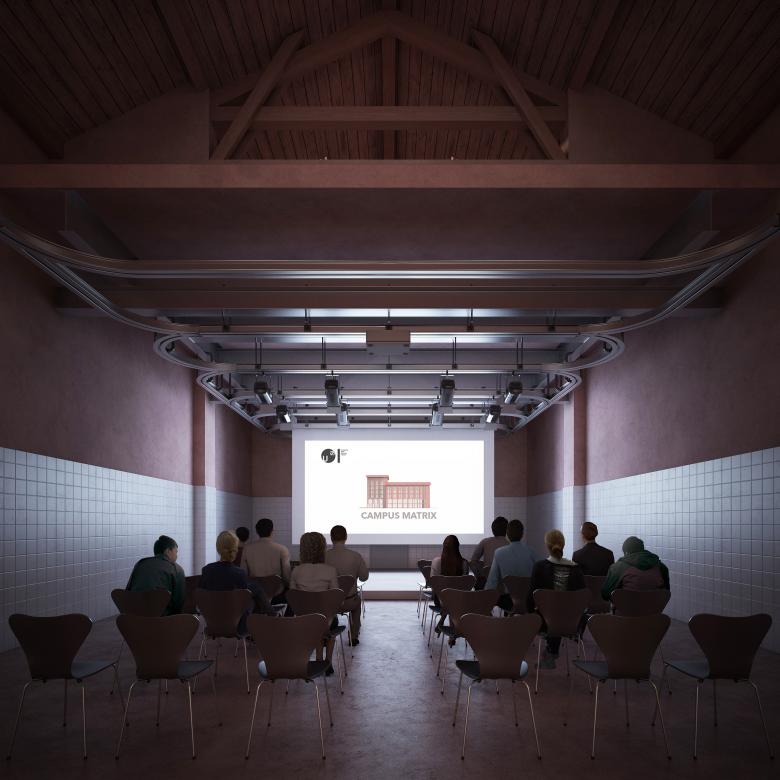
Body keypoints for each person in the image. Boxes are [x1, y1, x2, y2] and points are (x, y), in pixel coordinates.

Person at [528, 529, 585, 669]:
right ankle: (551, 651)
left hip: (545, 622)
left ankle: (551, 651)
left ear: (547, 545)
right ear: (563, 545)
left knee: (551, 611)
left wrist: (531, 613)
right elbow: (582, 599)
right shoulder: (576, 569)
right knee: (560, 610)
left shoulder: (539, 567)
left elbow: (530, 598)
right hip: (572, 622)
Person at [200, 531, 275, 632]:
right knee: (254, 592)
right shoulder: (239, 573)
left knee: (253, 588)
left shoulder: (206, 570)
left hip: (212, 621)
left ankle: (271, 615)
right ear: (235, 550)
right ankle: (272, 616)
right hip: (236, 624)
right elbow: (243, 601)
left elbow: (201, 595)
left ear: (218, 548)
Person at [290, 531, 340, 668]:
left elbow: (293, 599)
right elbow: (336, 600)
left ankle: (317, 659)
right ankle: (327, 662)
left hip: (303, 621)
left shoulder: (296, 571)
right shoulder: (330, 570)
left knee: (314, 620)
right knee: (330, 621)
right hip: (325, 622)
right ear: (322, 548)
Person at [325, 525, 369, 646]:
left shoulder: (324, 557)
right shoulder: (355, 556)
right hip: (349, 602)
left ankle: (325, 633)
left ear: (331, 538)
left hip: (329, 604)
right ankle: (353, 636)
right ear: (346, 537)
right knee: (357, 601)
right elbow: (364, 577)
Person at [126, 535, 186, 615]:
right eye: (176, 552)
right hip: (162, 618)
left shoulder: (140, 564)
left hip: (135, 616)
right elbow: (179, 602)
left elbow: (128, 592)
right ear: (168, 551)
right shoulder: (176, 569)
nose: (176, 556)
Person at [485, 519, 538, 610]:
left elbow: (492, 583)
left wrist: (484, 601)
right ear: (522, 534)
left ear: (507, 534)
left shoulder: (499, 553)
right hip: (529, 602)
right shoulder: (532, 552)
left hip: (508, 603)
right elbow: (539, 576)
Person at [601, 536, 670, 600]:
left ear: (626, 552)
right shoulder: (661, 567)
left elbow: (605, 594)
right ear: (642, 549)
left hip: (627, 608)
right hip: (655, 608)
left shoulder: (618, 567)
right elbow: (666, 593)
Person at [240, 517, 291, 584]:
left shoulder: (246, 549)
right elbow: (287, 577)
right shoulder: (282, 549)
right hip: (276, 589)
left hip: (254, 589)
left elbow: (243, 574)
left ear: (257, 531)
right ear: (272, 531)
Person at [470, 516, 509, 586]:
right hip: (504, 586)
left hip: (487, 585)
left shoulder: (485, 542)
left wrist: (479, 577)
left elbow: (472, 562)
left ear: (492, 529)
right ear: (507, 530)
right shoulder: (509, 545)